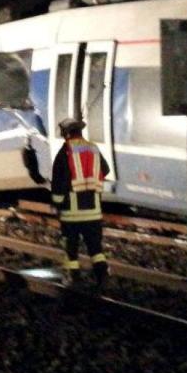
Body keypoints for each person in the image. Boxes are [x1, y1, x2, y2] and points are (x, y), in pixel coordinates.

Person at [51, 117, 111, 289]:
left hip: (72, 212)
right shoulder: (93, 148)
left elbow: (58, 181)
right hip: (93, 210)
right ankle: (102, 277)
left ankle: (73, 278)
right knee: (95, 248)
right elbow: (105, 169)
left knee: (71, 248)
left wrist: (57, 203)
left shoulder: (66, 151)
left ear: (66, 133)